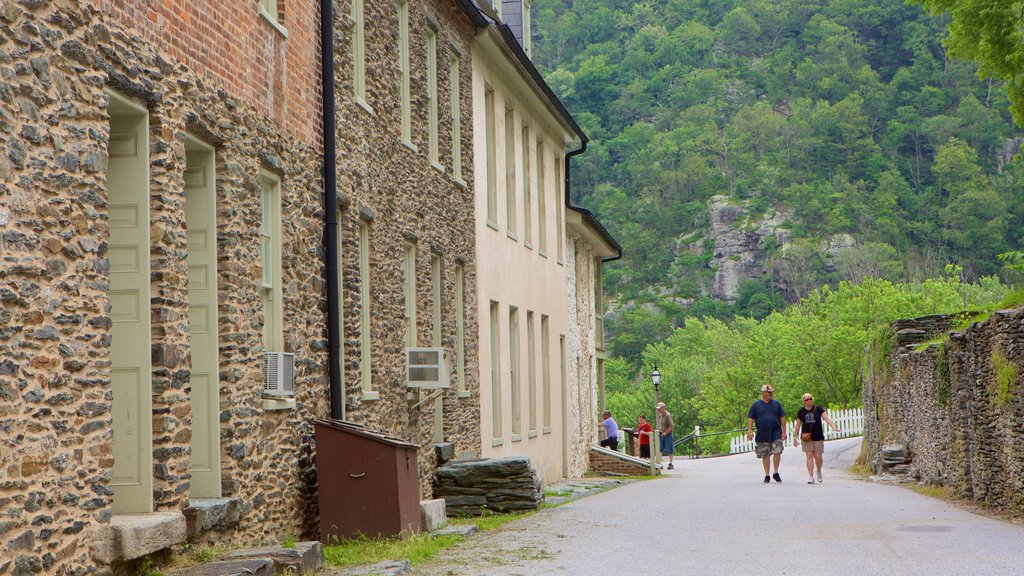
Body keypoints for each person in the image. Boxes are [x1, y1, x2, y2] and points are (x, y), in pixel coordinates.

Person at [793, 392, 842, 484]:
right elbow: (798, 425)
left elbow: (826, 418)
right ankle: (811, 477)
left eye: (810, 398)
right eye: (807, 399)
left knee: (818, 456)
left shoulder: (818, 409)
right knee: (809, 456)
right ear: (803, 401)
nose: (809, 401)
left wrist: (833, 427)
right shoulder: (801, 412)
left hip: (818, 436)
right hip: (806, 437)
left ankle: (818, 470)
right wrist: (795, 437)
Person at [747, 384, 787, 483]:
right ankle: (767, 474)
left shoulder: (776, 404)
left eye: (771, 392)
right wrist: (750, 430)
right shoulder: (756, 405)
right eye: (768, 392)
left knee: (777, 451)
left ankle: (776, 472)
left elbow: (782, 417)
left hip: (776, 432)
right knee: (766, 454)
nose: (770, 394)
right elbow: (751, 418)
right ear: (763, 392)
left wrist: (784, 431)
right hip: (763, 434)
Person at [656, 402, 674, 470]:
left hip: (668, 434)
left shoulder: (667, 415)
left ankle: (671, 463)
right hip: (661, 434)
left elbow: (671, 426)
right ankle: (659, 463)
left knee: (669, 449)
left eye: (659, 409)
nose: (658, 410)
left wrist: (665, 433)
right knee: (660, 449)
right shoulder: (660, 416)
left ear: (663, 408)